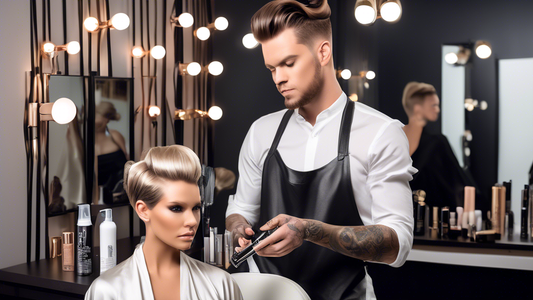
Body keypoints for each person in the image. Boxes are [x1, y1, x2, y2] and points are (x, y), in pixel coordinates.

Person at [225, 1, 416, 299]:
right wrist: (240, 230)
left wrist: (309, 230)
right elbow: (241, 211)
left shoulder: (380, 132)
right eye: (272, 68)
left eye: (289, 63)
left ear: (323, 52)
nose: (278, 78)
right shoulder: (261, 132)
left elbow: (397, 244)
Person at [85, 145, 243, 300]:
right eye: (176, 208)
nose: (192, 220)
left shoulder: (221, 285)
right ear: (143, 210)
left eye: (196, 207)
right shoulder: (107, 291)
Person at [402, 81, 479, 209]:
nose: (437, 110)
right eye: (433, 105)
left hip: (429, 217)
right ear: (417, 108)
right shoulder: (395, 136)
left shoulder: (436, 143)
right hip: (396, 214)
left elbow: (457, 181)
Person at [95, 101, 128, 203]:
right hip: (98, 197)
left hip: (120, 193)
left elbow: (127, 160)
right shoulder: (85, 140)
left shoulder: (115, 136)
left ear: (107, 120)